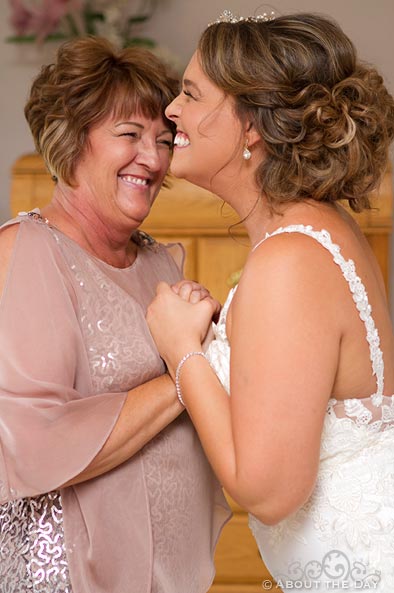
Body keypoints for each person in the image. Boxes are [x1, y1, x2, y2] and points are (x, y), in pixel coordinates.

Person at [146, 11, 394, 592]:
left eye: (189, 94)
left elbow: (268, 492)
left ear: (250, 126)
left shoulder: (289, 261)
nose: (171, 112)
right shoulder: (316, 230)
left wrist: (185, 353)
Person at [0, 37, 231, 593]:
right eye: (128, 136)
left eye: (161, 140)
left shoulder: (155, 259)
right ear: (72, 141)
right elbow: (31, 445)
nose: (152, 159)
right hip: (65, 575)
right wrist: (192, 362)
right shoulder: (28, 250)